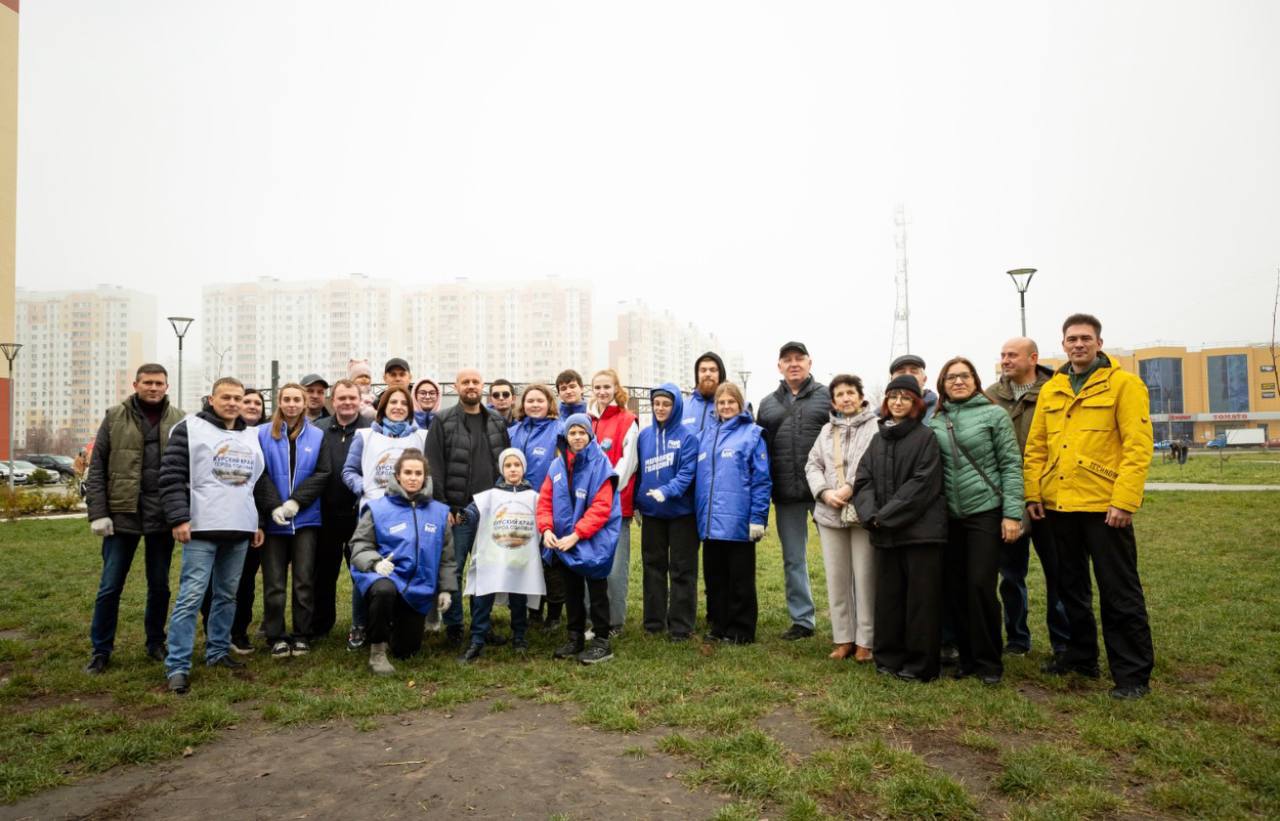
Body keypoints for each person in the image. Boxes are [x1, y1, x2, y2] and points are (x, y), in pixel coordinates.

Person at [1024, 313, 1155, 700]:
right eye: (1071, 339)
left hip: (1105, 507)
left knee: (1119, 592)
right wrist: (1034, 494)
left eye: (1085, 338)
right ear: (1062, 345)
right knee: (1070, 588)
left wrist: (1124, 501)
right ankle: (1081, 656)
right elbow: (1036, 447)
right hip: (1058, 506)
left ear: (1099, 342)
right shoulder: (1053, 388)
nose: (1078, 345)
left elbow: (1137, 447)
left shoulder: (1124, 385)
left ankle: (1131, 675)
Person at [158, 377, 269, 695]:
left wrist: (257, 521)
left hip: (239, 529)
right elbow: (171, 475)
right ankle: (178, 665)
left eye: (238, 398)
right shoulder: (189, 428)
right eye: (226, 397)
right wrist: (179, 518)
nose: (233, 403)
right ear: (211, 399)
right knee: (191, 597)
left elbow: (257, 483)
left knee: (226, 596)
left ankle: (218, 652)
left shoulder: (250, 435)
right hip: (200, 529)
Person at [83, 363, 186, 673]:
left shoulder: (179, 420)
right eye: (147, 382)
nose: (153, 388)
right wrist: (98, 513)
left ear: (167, 386)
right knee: (110, 586)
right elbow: (98, 466)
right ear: (136, 384)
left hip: (161, 516)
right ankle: (101, 649)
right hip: (122, 514)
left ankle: (155, 641)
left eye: (159, 383)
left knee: (159, 585)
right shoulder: (115, 416)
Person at [929, 357, 1024, 686]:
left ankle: (989, 661)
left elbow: (1011, 465)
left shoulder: (994, 415)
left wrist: (1013, 513)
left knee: (981, 586)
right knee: (955, 588)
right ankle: (966, 659)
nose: (958, 382)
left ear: (975, 380)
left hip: (985, 511)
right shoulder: (935, 420)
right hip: (949, 518)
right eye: (951, 377)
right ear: (942, 384)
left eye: (964, 376)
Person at [852, 375, 948, 682]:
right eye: (893, 396)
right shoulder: (879, 438)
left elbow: (922, 485)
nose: (897, 402)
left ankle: (920, 666)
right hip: (885, 532)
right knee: (889, 599)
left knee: (921, 602)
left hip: (921, 534)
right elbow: (863, 479)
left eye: (905, 397)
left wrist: (885, 515)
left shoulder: (925, 437)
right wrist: (870, 514)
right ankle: (888, 658)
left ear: (916, 403)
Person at [985, 338, 1070, 658]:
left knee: (1058, 574)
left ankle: (1063, 641)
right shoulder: (992, 396)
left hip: (1049, 499)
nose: (1005, 360)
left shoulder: (1056, 392)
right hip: (1007, 500)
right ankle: (1017, 638)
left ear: (1033, 358)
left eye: (1012, 355)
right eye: (1003, 354)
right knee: (1010, 575)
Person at [348, 449, 456, 674]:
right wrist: (375, 563)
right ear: (397, 476)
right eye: (408, 472)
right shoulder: (378, 508)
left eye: (418, 473)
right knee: (384, 591)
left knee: (406, 651)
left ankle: (395, 630)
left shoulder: (439, 512)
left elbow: (447, 557)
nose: (413, 478)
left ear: (425, 477)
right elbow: (358, 546)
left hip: (418, 588)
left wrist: (446, 589)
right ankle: (377, 651)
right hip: (386, 577)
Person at [425, 368, 511, 645]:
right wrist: (443, 506)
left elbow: (506, 463)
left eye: (475, 382)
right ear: (456, 386)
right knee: (454, 568)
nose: (471, 386)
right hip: (458, 510)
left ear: (482, 386)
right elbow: (433, 466)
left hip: (491, 509)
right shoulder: (443, 420)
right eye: (466, 382)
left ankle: (481, 626)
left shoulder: (496, 421)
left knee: (485, 568)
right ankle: (454, 627)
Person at [341, 386, 429, 647]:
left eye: (404, 403)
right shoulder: (365, 436)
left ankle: (394, 622)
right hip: (373, 513)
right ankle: (359, 624)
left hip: (408, 513)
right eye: (393, 402)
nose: (399, 407)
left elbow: (428, 475)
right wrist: (363, 488)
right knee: (365, 567)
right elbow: (349, 471)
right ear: (383, 408)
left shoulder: (421, 437)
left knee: (403, 566)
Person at [755, 341, 827, 641]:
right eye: (788, 360)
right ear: (779, 366)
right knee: (793, 558)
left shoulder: (828, 397)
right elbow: (759, 450)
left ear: (810, 362)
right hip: (785, 493)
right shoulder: (768, 404)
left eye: (799, 358)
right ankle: (803, 620)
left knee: (838, 558)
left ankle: (852, 618)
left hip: (825, 492)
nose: (794, 364)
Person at [536, 413, 621, 664]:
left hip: (593, 538)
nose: (577, 437)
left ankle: (601, 640)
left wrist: (577, 534)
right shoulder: (557, 466)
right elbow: (545, 502)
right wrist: (546, 530)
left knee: (596, 591)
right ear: (565, 436)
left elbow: (602, 508)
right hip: (564, 539)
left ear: (590, 435)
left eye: (582, 432)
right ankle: (575, 637)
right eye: (572, 433)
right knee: (571, 590)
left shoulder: (601, 464)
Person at [805, 374, 879, 662]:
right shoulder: (826, 431)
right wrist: (824, 492)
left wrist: (848, 489)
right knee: (837, 578)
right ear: (833, 401)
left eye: (851, 392)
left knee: (865, 576)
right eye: (840, 394)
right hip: (829, 512)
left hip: (860, 512)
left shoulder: (875, 427)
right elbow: (813, 464)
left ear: (861, 397)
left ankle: (866, 641)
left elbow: (869, 464)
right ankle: (843, 638)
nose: (846, 398)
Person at [257, 383, 332, 658]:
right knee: (275, 582)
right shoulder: (262, 434)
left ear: (303, 403)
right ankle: (276, 635)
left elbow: (323, 473)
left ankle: (302, 634)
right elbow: (259, 472)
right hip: (274, 519)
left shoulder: (317, 435)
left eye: (296, 399)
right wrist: (274, 505)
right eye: (287, 399)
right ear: (279, 401)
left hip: (306, 519)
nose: (291, 404)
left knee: (303, 580)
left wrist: (296, 502)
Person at [696, 383, 771, 644]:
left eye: (730, 401)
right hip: (709, 522)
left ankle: (741, 629)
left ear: (740, 404)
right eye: (721, 402)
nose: (725, 406)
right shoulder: (706, 435)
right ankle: (719, 624)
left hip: (738, 521)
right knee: (715, 578)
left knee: (739, 580)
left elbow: (761, 480)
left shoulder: (752, 434)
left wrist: (758, 518)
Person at [458, 448, 545, 662]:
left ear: (523, 468)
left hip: (520, 559)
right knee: (482, 597)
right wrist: (463, 515)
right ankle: (478, 639)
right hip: (492, 557)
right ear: (501, 469)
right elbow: (473, 510)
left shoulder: (534, 497)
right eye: (508, 465)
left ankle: (520, 637)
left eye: (517, 465)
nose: (513, 469)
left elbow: (545, 518)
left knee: (519, 597)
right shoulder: (491, 495)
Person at [637, 383, 700, 641]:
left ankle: (681, 626)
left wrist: (668, 490)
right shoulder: (645, 436)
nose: (660, 408)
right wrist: (638, 503)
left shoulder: (688, 437)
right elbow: (639, 470)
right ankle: (653, 623)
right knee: (653, 567)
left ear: (676, 406)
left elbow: (687, 473)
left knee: (682, 570)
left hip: (682, 515)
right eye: (657, 404)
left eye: (666, 404)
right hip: (652, 515)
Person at [313, 379, 371, 643]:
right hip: (326, 513)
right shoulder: (318, 430)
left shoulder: (372, 430)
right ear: (332, 401)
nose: (347, 402)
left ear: (360, 400)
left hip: (360, 515)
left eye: (352, 397)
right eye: (341, 398)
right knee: (323, 574)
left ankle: (366, 623)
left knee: (363, 571)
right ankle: (321, 625)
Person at [587, 369, 639, 637]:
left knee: (615, 568)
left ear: (616, 388)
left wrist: (605, 491)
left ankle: (614, 621)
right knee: (589, 563)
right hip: (586, 509)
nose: (602, 391)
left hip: (616, 506)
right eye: (597, 387)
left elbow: (628, 463)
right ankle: (592, 619)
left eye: (607, 386)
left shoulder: (627, 419)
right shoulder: (585, 420)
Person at [508, 384, 563, 627]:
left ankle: (554, 614)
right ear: (523, 404)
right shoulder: (513, 431)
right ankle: (533, 611)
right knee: (525, 560)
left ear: (549, 403)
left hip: (549, 505)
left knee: (550, 560)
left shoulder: (559, 429)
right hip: (518, 505)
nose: (535, 405)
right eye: (530, 400)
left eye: (540, 400)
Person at [683, 352, 728, 434]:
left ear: (720, 375)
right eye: (703, 370)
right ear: (697, 375)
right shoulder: (683, 407)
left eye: (713, 370)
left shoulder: (731, 407)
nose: (707, 374)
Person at [887, 355, 940, 424]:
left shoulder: (940, 412)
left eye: (914, 372)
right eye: (901, 372)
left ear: (924, 379)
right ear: (892, 380)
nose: (908, 375)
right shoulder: (878, 417)